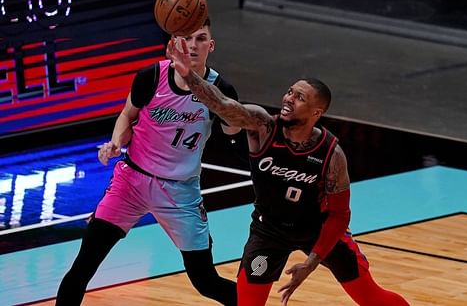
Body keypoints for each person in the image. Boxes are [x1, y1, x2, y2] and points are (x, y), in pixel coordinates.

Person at [166, 38, 411, 305]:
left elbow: (340, 216)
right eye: (290, 92)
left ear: (316, 111)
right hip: (269, 231)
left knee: (371, 297)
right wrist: (188, 75)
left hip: (317, 230)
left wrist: (312, 262)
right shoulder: (262, 127)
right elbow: (224, 106)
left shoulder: (331, 154)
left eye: (299, 97)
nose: (288, 99)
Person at [55, 18, 239, 306]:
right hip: (131, 182)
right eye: (186, 38)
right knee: (83, 267)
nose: (192, 45)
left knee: (206, 281)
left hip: (180, 192)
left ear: (211, 46)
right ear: (174, 43)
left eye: (201, 38)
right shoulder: (150, 76)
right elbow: (127, 115)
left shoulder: (221, 90)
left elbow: (234, 129)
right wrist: (116, 141)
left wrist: (221, 106)